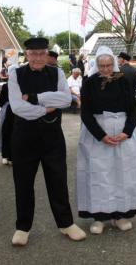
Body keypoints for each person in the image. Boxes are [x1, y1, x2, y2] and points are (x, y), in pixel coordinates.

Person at [8, 37, 86, 246]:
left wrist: (34, 98)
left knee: (58, 181)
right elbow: (17, 107)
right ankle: (22, 227)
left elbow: (65, 99)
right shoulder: (15, 74)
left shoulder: (57, 72)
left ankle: (66, 223)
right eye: (33, 54)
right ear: (26, 55)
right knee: (23, 184)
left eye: (42, 53)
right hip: (24, 138)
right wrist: (47, 107)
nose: (38, 58)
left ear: (47, 54)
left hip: (52, 137)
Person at [77, 46, 136, 235]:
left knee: (123, 173)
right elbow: (86, 113)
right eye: (102, 66)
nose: (106, 69)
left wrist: (127, 131)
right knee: (99, 174)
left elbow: (133, 108)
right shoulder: (90, 83)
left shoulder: (123, 81)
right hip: (98, 134)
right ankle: (100, 217)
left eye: (108, 65)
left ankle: (120, 215)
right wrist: (100, 135)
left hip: (122, 133)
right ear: (96, 65)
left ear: (113, 64)